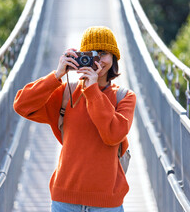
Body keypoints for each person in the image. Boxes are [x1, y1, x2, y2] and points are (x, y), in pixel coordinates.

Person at [13, 26, 136, 212]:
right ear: (79, 57)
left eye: (103, 53)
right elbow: (21, 105)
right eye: (90, 54)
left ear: (114, 57)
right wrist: (56, 75)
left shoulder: (124, 97)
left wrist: (92, 89)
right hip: (64, 201)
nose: (97, 60)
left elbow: (113, 135)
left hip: (106, 204)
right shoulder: (66, 92)